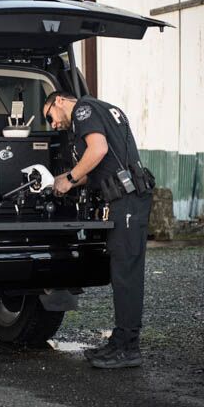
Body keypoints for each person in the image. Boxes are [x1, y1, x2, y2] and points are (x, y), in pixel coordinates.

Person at [43, 90, 154, 369]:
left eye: (50, 117)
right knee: (122, 272)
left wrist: (69, 178)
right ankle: (120, 342)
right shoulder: (103, 108)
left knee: (126, 273)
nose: (53, 125)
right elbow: (100, 165)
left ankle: (128, 349)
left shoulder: (83, 111)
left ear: (59, 101)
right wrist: (63, 180)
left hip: (126, 199)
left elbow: (98, 150)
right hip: (128, 195)